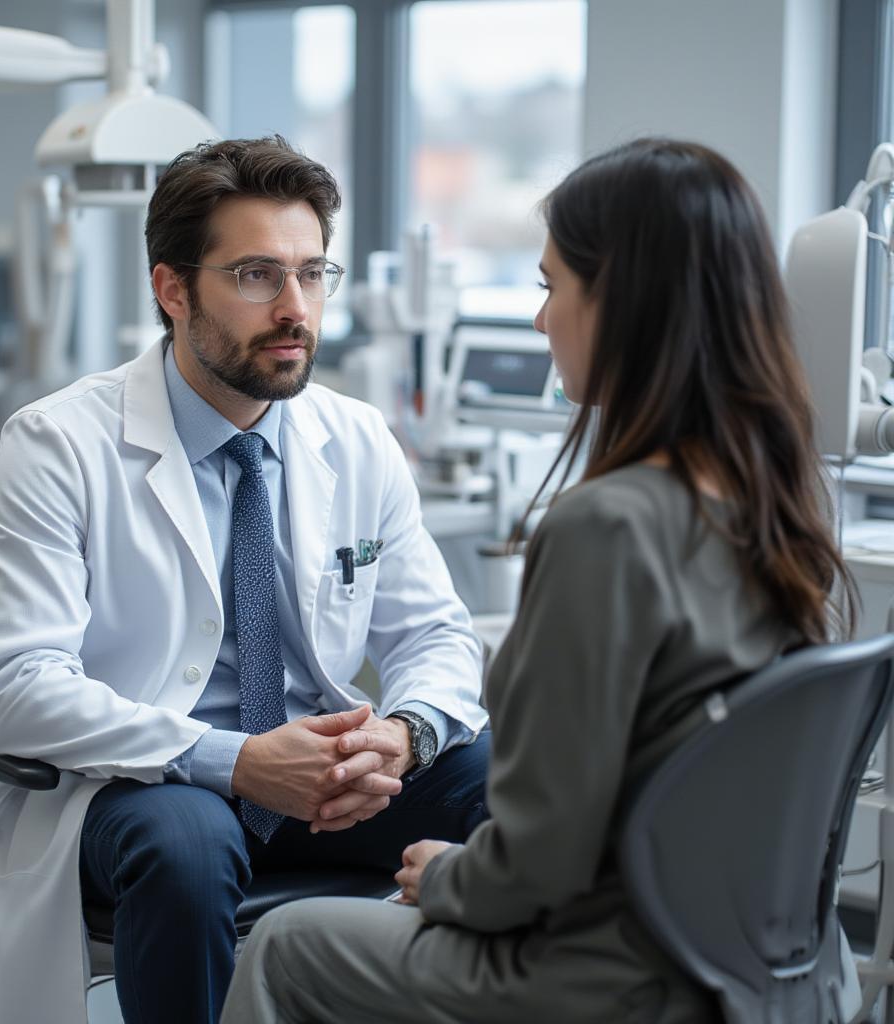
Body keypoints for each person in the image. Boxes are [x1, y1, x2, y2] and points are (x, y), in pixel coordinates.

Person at [220, 137, 859, 1024]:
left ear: (624, 305)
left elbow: (542, 860)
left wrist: (452, 877)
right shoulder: (783, 508)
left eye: (552, 287)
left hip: (617, 970)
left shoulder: (607, 528)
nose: (540, 321)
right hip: (763, 960)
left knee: (290, 942)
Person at [0, 136, 489, 1024]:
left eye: (312, 273)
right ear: (172, 289)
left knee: (502, 783)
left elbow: (436, 636)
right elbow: (18, 689)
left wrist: (406, 734)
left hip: (317, 777)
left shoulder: (356, 436)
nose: (296, 308)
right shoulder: (57, 444)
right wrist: (236, 761)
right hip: (143, 785)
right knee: (187, 838)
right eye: (258, 275)